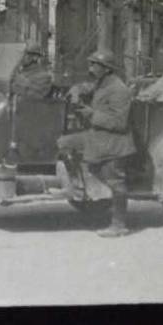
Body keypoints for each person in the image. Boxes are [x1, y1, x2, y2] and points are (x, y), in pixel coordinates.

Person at [58, 49, 135, 238]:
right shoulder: (102, 83)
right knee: (63, 143)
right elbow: (89, 87)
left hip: (114, 142)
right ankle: (81, 186)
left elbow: (119, 122)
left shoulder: (119, 90)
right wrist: (77, 89)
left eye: (95, 65)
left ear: (106, 69)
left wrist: (91, 114)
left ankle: (119, 225)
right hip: (98, 136)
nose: (91, 67)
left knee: (115, 181)